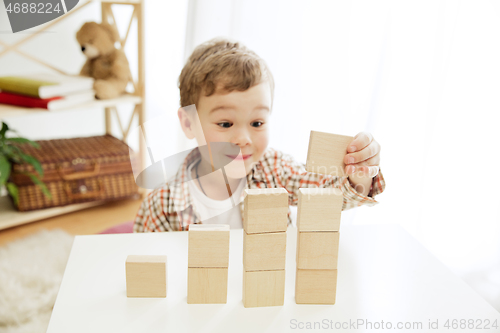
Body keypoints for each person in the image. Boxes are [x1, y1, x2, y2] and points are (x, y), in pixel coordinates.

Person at [134, 38, 385, 232]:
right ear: (189, 124)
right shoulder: (163, 203)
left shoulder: (276, 171)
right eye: (225, 123)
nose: (243, 138)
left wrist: (359, 173)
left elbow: (332, 194)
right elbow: (145, 267)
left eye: (256, 122)